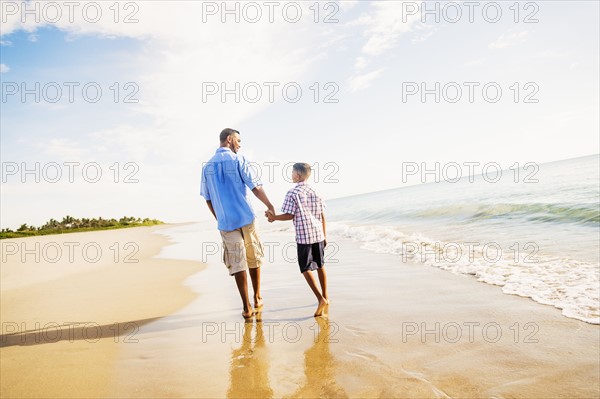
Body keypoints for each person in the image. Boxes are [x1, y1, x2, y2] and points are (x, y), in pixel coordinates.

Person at [200, 128, 275, 318]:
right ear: (229, 139)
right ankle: (257, 297)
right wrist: (269, 204)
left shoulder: (207, 166)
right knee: (253, 256)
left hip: (226, 222)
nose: (240, 145)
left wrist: (219, 217)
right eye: (238, 141)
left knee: (237, 262)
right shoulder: (239, 159)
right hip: (247, 217)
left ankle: (246, 307)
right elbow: (255, 187)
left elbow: (207, 198)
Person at [266, 163, 329, 317]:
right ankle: (326, 296)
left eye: (292, 172)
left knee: (305, 268)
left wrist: (274, 218)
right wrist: (325, 235)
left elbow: (290, 215)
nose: (291, 174)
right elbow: (322, 215)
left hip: (304, 236)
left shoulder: (292, 193)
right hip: (318, 234)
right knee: (320, 265)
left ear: (298, 175)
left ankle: (321, 299)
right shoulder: (317, 191)